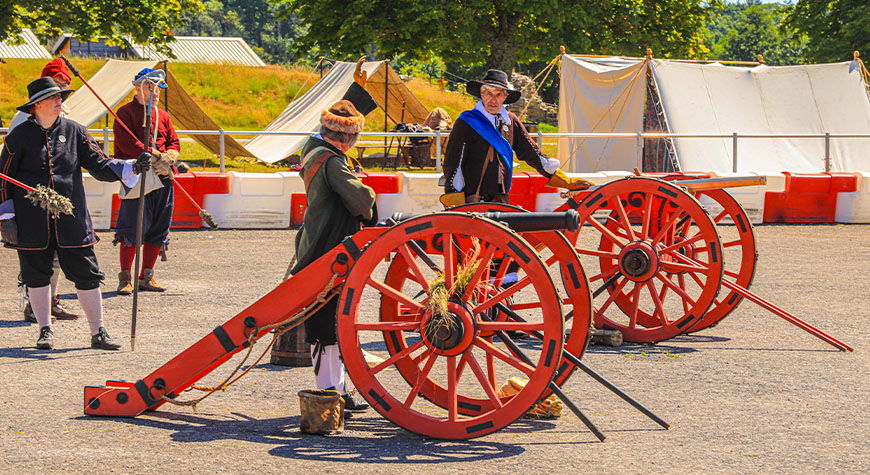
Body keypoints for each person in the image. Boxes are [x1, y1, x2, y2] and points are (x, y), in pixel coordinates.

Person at [0, 77, 149, 350]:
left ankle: (98, 332)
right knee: (36, 275)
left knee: (87, 274)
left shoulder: (76, 131)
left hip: (72, 218)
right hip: (32, 220)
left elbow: (99, 165)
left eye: (60, 97)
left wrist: (132, 167)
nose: (60, 101)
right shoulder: (17, 138)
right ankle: (45, 330)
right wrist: (6, 216)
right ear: (36, 106)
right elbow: (4, 179)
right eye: (54, 97)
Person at [289, 88, 378, 413]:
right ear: (348, 137)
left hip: (318, 242)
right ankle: (330, 390)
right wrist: (369, 195)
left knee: (329, 324)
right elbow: (360, 199)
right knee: (327, 324)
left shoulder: (315, 152)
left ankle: (335, 388)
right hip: (328, 247)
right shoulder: (331, 160)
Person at [442, 69, 591, 205]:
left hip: (500, 196)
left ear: (505, 96)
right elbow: (453, 162)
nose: (493, 99)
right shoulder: (467, 122)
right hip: (472, 196)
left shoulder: (510, 121)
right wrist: (455, 195)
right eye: (488, 93)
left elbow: (532, 153)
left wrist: (564, 180)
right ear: (481, 94)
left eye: (498, 94)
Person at [9, 59, 80, 322]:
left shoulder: (66, 113)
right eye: (58, 85)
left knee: (57, 253)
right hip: (30, 196)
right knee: (36, 254)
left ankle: (52, 299)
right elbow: (14, 158)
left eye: (64, 86)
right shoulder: (23, 119)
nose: (61, 91)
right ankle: (34, 303)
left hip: (58, 195)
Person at [112, 68, 180, 295]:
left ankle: (146, 276)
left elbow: (174, 141)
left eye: (158, 88)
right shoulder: (125, 113)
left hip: (163, 179)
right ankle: (125, 278)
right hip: (137, 177)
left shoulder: (165, 116)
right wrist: (155, 156)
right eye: (152, 87)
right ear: (138, 88)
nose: (156, 92)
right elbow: (127, 145)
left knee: (158, 229)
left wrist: (170, 156)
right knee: (132, 229)